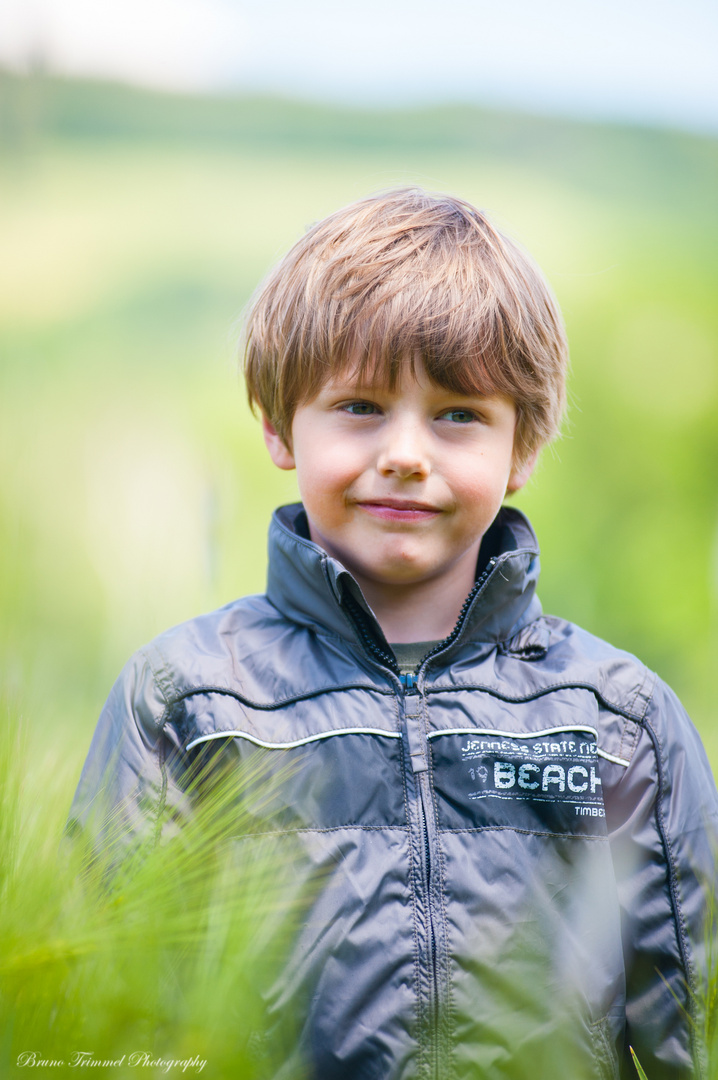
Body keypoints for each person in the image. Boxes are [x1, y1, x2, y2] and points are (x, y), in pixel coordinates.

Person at [69, 188, 718, 1079]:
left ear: (522, 446)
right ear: (277, 422)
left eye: (458, 414)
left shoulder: (616, 723)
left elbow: (695, 1023)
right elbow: (107, 1014)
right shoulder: (189, 704)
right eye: (362, 406)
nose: (407, 452)